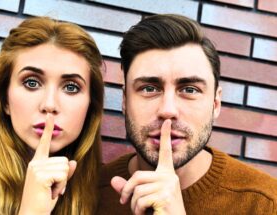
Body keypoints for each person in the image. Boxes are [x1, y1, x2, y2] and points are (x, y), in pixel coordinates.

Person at [97, 14, 277, 215]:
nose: (168, 110)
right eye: (149, 88)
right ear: (124, 101)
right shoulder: (88, 195)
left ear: (215, 103)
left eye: (190, 90)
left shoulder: (266, 204)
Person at [0, 16, 104, 215]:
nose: (49, 105)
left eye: (71, 87)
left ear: (90, 107)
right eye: (31, 83)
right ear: (4, 99)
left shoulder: (102, 189)